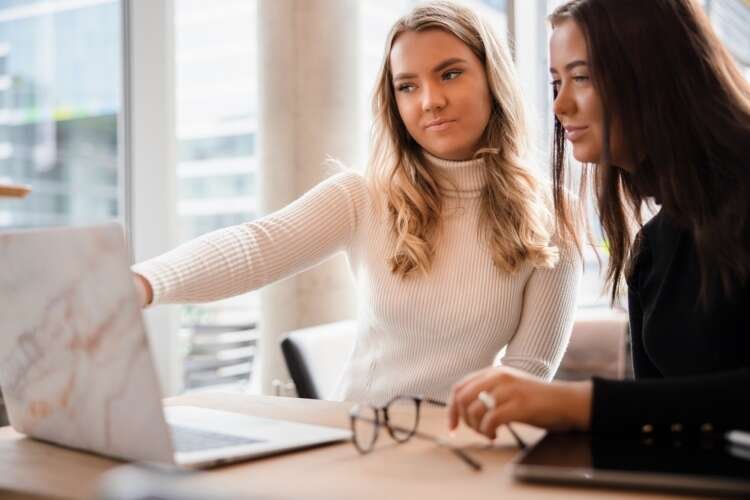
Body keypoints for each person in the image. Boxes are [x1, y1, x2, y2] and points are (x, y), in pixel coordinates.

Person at [132, 1, 581, 405]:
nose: (430, 101)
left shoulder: (554, 213)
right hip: (354, 437)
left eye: (450, 73)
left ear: (493, 78)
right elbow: (255, 247)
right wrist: (140, 284)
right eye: (407, 86)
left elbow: (529, 374)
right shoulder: (363, 195)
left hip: (462, 449)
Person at [448, 0, 750, 439]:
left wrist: (580, 404)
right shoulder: (654, 248)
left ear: (653, 75)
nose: (560, 105)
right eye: (556, 82)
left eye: (582, 77)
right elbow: (660, 430)